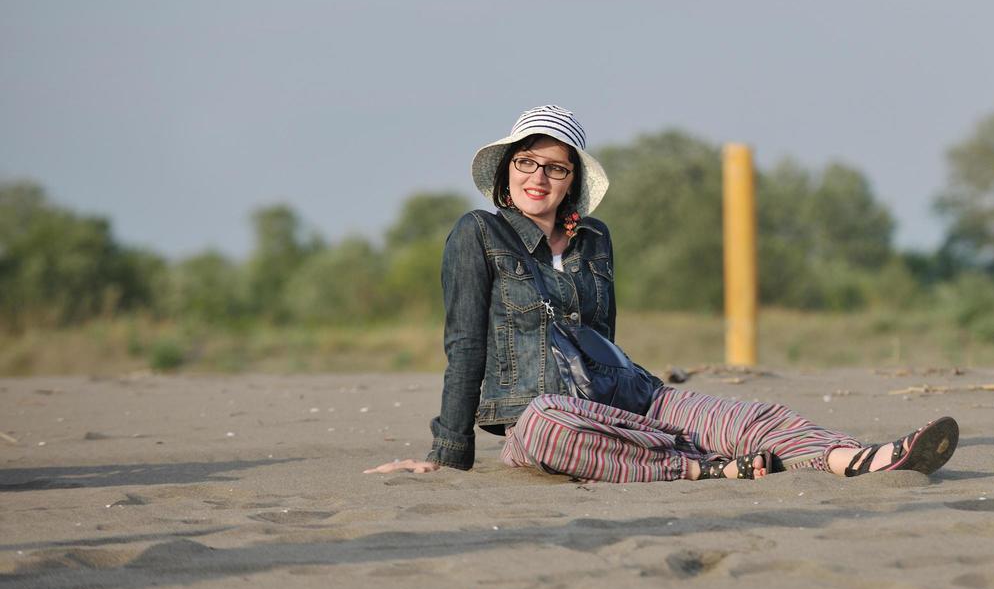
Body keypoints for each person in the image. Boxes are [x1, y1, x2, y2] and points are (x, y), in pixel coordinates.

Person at [366, 104, 958, 482]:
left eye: (555, 168)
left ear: (573, 181)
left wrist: (634, 400)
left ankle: (867, 458)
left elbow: (604, 337)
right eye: (527, 163)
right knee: (550, 426)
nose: (538, 178)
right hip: (540, 416)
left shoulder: (594, 238)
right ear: (506, 173)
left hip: (626, 396)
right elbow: (465, 341)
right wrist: (449, 454)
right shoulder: (478, 232)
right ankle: (698, 464)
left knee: (746, 412)